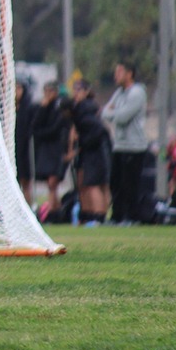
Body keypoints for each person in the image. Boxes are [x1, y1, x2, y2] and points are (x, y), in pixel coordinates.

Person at [101, 60, 148, 225]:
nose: (116, 75)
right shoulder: (119, 93)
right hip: (119, 145)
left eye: (119, 72)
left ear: (129, 74)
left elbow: (123, 117)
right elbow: (105, 112)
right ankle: (117, 216)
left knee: (130, 184)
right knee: (116, 184)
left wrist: (115, 113)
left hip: (134, 146)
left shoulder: (137, 93)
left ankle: (131, 217)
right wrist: (115, 113)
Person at [65, 80, 111, 226]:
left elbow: (99, 131)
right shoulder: (79, 110)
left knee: (94, 184)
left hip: (95, 152)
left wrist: (82, 141)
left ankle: (98, 217)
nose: (76, 93)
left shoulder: (87, 109)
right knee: (84, 185)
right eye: (74, 89)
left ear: (86, 91)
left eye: (79, 90)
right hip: (88, 151)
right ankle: (87, 215)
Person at [31, 82, 70, 218]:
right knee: (50, 183)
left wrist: (40, 133)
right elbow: (35, 126)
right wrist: (43, 108)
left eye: (50, 91)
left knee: (53, 181)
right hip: (46, 149)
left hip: (57, 149)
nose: (47, 95)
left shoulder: (60, 108)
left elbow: (54, 130)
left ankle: (54, 212)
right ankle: (55, 211)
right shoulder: (44, 107)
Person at [14, 81, 37, 206]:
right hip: (13, 148)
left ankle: (28, 206)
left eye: (19, 88)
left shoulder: (28, 108)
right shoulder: (9, 109)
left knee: (25, 180)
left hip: (25, 149)